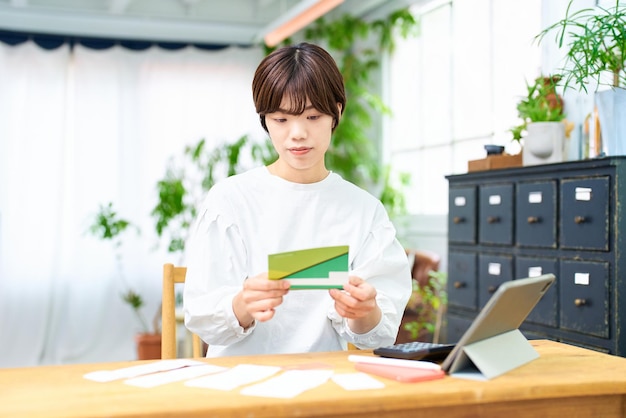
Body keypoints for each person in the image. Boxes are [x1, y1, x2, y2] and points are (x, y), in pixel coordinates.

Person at [184, 42, 411, 357]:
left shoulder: (363, 210)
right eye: (281, 119)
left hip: (324, 384)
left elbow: (376, 334)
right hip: (238, 385)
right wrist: (242, 305)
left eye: (313, 116)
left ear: (337, 113)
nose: (298, 133)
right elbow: (203, 316)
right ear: (265, 120)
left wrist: (364, 311)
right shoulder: (230, 201)